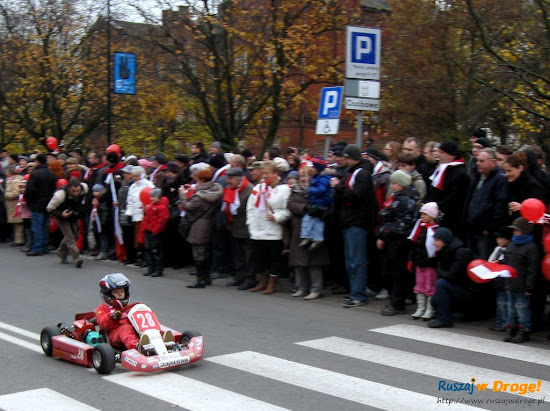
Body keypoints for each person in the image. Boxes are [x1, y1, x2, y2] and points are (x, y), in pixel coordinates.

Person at [331, 144, 378, 308]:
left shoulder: (362, 173)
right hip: (349, 220)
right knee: (351, 260)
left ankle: (359, 294)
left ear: (352, 158)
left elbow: (357, 195)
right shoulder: (352, 172)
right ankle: (354, 292)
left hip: (357, 221)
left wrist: (338, 186)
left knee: (356, 260)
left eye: (346, 157)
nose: (343, 160)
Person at [377, 170, 418, 316]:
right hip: (393, 237)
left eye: (394, 183)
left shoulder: (404, 199)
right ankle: (396, 300)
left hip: (399, 238)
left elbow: (386, 214)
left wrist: (385, 211)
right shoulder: (401, 196)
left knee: (396, 272)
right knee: (390, 271)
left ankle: (397, 303)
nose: (392, 186)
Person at [246, 160, 292, 294]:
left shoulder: (283, 189)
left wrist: (276, 217)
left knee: (273, 259)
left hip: (273, 230)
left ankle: (272, 283)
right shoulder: (258, 188)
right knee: (259, 258)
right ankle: (262, 281)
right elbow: (250, 207)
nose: (264, 175)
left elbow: (287, 210)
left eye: (267, 173)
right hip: (257, 230)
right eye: (263, 173)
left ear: (275, 173)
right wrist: (251, 223)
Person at [287, 166, 330, 300]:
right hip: (299, 229)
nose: (304, 179)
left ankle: (316, 289)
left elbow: (328, 206)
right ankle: (302, 287)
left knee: (314, 263)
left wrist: (319, 209)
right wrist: (305, 208)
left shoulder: (319, 191)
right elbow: (290, 205)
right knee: (299, 262)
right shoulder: (296, 191)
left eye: (307, 176)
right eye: (302, 177)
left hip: (315, 230)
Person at [95, 273, 164, 352]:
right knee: (126, 328)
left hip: (134, 330)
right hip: (115, 335)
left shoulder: (129, 307)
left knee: (149, 326)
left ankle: (161, 343)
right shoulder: (103, 308)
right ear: (108, 294)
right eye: (116, 292)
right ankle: (137, 347)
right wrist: (111, 316)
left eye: (122, 291)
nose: (120, 294)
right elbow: (102, 322)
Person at [180, 169, 224, 288]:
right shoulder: (215, 190)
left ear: (201, 180)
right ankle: (207, 277)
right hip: (210, 222)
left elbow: (188, 207)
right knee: (207, 251)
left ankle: (200, 279)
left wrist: (183, 195)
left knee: (198, 251)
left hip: (199, 224)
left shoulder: (200, 196)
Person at [463, 148, 508, 260]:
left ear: (493, 162)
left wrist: (490, 227)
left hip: (485, 232)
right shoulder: (477, 177)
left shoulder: (500, 179)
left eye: (482, 161)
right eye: (477, 160)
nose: (477, 163)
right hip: (471, 228)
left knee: (483, 261)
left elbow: (500, 205)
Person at [428, 228, 475, 328]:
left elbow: (451, 275)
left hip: (470, 293)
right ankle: (445, 314)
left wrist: (438, 268)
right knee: (435, 301)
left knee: (441, 283)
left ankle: (445, 319)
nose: (433, 243)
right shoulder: (445, 251)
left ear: (444, 241)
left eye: (437, 240)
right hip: (458, 287)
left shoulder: (461, 252)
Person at [502, 218, 538, 343]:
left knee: (522, 308)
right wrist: (506, 283)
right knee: (511, 308)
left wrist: (529, 286)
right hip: (511, 283)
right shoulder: (511, 245)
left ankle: (524, 330)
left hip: (522, 285)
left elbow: (532, 269)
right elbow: (506, 263)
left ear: (524, 231)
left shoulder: (531, 247)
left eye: (516, 230)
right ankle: (511, 327)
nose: (514, 232)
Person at [425, 140, 470, 239]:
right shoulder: (441, 169)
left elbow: (455, 197)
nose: (438, 155)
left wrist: (436, 205)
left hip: (450, 218)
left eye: (442, 153)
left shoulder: (460, 174)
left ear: (451, 156)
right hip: (436, 213)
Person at [221, 167, 255, 289]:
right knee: (238, 254)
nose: (228, 181)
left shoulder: (249, 189)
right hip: (235, 227)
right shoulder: (231, 189)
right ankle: (239, 276)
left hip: (246, 228)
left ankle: (250, 279)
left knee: (248, 256)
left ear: (239, 178)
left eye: (230, 178)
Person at [407, 202, 440, 320]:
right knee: (419, 285)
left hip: (430, 264)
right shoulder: (419, 228)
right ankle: (420, 308)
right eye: (421, 214)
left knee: (429, 286)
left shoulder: (435, 230)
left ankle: (430, 309)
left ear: (432, 216)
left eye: (425, 214)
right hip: (419, 262)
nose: (422, 217)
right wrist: (411, 259)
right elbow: (414, 244)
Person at [46, 178, 87, 267]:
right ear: (69, 188)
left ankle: (61, 251)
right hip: (61, 215)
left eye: (78, 191)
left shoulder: (84, 188)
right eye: (73, 191)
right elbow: (49, 209)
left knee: (76, 235)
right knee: (70, 236)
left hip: (73, 214)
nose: (76, 193)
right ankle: (77, 258)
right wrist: (61, 214)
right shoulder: (59, 195)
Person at [24, 153, 57, 256]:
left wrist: (29, 201)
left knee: (37, 226)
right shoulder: (51, 174)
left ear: (37, 161)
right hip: (48, 202)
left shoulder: (35, 173)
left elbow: (30, 189)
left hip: (36, 202)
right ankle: (45, 245)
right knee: (45, 225)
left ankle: (37, 246)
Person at [299, 157, 332, 252]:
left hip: (321, 204)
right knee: (308, 219)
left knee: (318, 223)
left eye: (313, 166)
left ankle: (317, 238)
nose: (312, 168)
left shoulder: (324, 178)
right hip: (315, 203)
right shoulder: (317, 178)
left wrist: (309, 190)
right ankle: (307, 236)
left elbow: (321, 190)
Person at [487, 226, 513, 332]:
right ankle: (500, 321)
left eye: (500, 238)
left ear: (507, 239)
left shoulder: (510, 250)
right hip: (498, 281)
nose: (497, 240)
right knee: (500, 303)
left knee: (507, 304)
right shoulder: (498, 249)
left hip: (507, 282)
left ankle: (507, 323)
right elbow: (490, 260)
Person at [141, 188, 170, 277]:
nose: (151, 198)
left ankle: (158, 269)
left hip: (155, 232)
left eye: (153, 197)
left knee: (156, 251)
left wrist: (156, 230)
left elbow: (162, 220)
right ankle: (151, 268)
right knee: (148, 250)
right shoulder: (150, 206)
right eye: (151, 197)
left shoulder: (162, 207)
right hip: (148, 230)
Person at [3, 166, 24, 246]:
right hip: (11, 205)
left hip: (15, 204)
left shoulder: (16, 181)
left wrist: (6, 194)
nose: (5, 174)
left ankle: (19, 240)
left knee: (18, 223)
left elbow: (16, 192)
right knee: (14, 223)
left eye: (7, 172)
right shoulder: (10, 180)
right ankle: (17, 239)